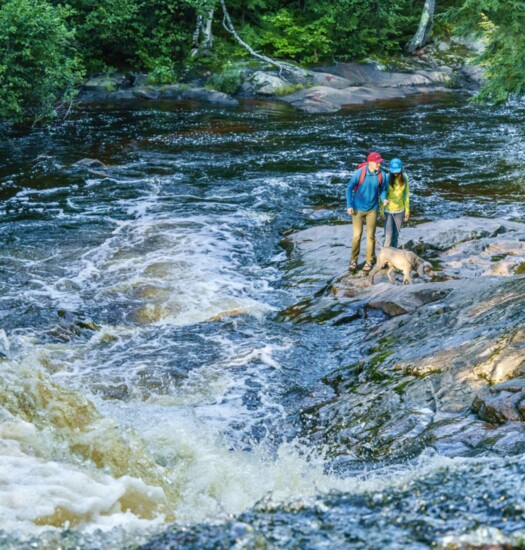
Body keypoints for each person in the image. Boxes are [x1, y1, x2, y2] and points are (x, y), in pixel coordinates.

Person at [346, 151, 388, 272]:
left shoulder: (382, 175)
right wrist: (349, 205)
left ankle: (369, 261)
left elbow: (382, 190)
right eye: (377, 163)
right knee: (356, 236)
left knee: (370, 236)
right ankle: (353, 259)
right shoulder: (360, 173)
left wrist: (384, 198)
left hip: (372, 209)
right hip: (357, 209)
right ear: (370, 162)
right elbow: (349, 188)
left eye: (380, 163)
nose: (379, 165)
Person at [381, 158, 410, 248]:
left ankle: (393, 256)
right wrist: (381, 212)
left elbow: (406, 195)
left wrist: (407, 211)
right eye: (394, 172)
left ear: (401, 169)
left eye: (397, 172)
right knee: (388, 236)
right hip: (388, 211)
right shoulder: (386, 177)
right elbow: (382, 193)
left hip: (400, 211)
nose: (396, 174)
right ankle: (385, 256)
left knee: (395, 236)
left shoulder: (405, 177)